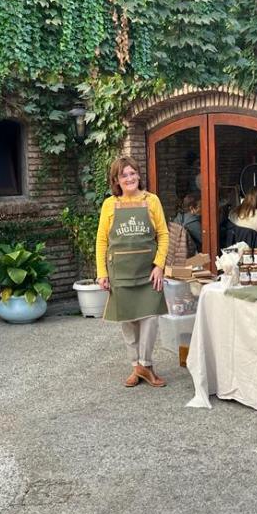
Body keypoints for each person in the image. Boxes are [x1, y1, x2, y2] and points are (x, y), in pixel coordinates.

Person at [96, 156, 170, 388]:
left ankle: (146, 364)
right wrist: (102, 272)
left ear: (138, 175)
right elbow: (101, 240)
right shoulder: (109, 205)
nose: (129, 178)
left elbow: (164, 235)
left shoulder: (152, 201)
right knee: (127, 319)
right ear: (116, 180)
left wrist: (159, 265)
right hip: (120, 271)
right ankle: (135, 366)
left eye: (132, 173)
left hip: (148, 272)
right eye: (123, 175)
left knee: (150, 316)